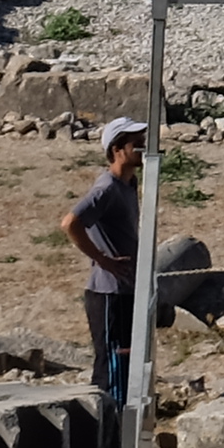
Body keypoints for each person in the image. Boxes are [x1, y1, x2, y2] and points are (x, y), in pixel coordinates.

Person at [69, 121, 148, 394]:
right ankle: (106, 431)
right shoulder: (107, 189)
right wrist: (102, 259)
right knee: (110, 370)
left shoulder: (129, 184)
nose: (143, 147)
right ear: (117, 149)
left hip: (127, 290)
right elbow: (71, 223)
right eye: (136, 143)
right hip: (108, 294)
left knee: (127, 367)